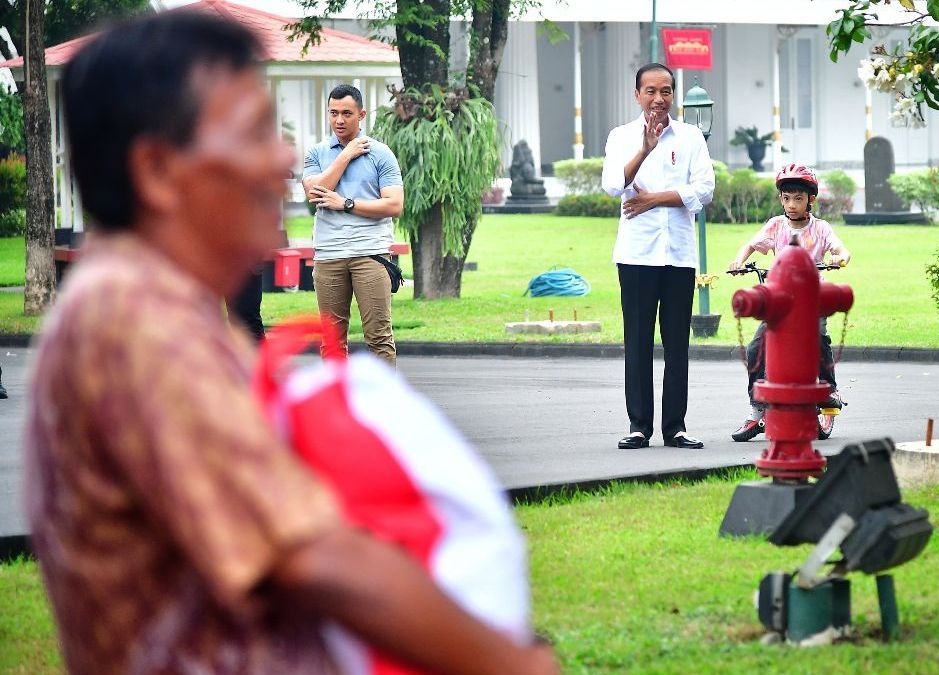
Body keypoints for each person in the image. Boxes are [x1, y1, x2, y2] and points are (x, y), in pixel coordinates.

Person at [24, 11, 557, 675]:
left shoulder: (140, 306)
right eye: (251, 134)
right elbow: (318, 558)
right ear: (158, 170)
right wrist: (512, 662)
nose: (280, 159)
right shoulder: (136, 323)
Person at [601, 63, 715, 450]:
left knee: (677, 344)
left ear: (673, 94)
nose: (658, 98)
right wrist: (644, 150)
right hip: (636, 255)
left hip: (679, 256)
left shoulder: (691, 137)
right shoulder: (621, 137)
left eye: (665, 91)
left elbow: (704, 191)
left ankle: (675, 427)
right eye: (650, 91)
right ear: (637, 95)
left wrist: (653, 199)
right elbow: (613, 185)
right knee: (637, 342)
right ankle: (639, 426)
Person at [726, 164, 851, 442]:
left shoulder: (820, 228)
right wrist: (739, 260)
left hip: (811, 301)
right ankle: (757, 410)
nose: (791, 204)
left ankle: (829, 388)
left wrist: (837, 258)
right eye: (786, 198)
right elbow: (749, 245)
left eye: (798, 198)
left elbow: (843, 250)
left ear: (811, 200)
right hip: (780, 303)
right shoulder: (775, 225)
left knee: (818, 336)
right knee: (757, 347)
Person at [303, 84, 404, 366]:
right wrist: (345, 154)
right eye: (333, 113)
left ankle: (383, 409)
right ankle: (338, 409)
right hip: (329, 255)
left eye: (346, 113)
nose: (339, 120)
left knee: (379, 338)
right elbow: (315, 193)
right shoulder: (317, 153)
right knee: (332, 342)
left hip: (370, 254)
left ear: (361, 115)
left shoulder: (381, 154)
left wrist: (346, 203)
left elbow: (394, 205)